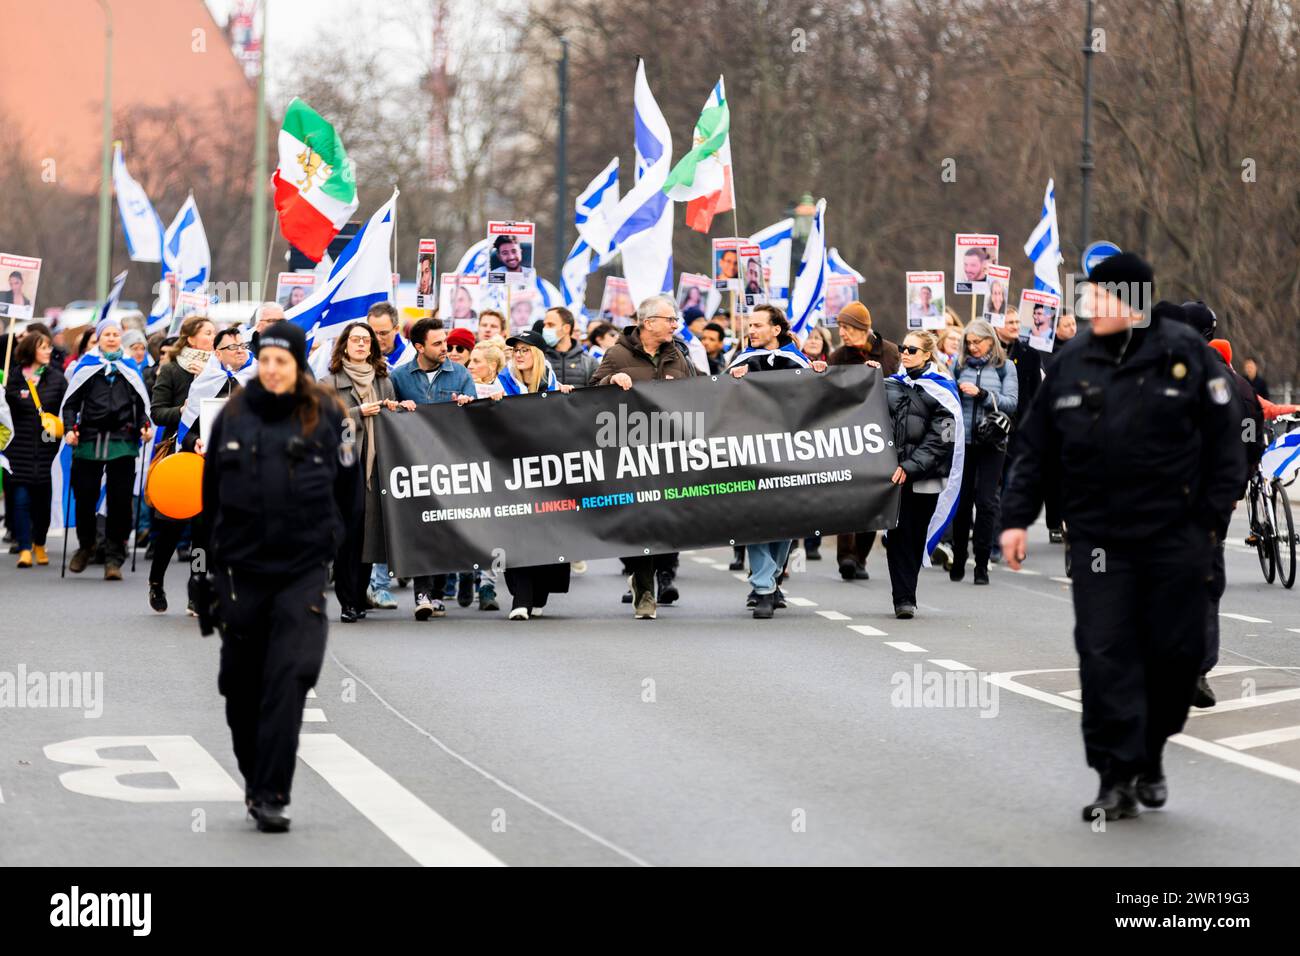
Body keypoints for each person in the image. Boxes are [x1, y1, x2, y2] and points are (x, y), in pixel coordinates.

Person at [1000, 252, 1244, 822]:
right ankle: (1114, 776)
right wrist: (1014, 517)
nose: (1089, 308)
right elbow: (1036, 447)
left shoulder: (1184, 355)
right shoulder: (1072, 362)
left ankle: (1151, 754)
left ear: (1133, 301)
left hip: (1175, 536)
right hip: (1100, 540)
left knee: (1175, 655)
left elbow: (1226, 440)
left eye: (1101, 298)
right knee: (1105, 653)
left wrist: (1207, 517)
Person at [201, 320, 352, 832]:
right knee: (240, 688)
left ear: (296, 364)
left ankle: (272, 792)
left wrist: (329, 545)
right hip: (241, 570)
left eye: (280, 361)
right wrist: (204, 571)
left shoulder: (327, 414)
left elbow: (349, 492)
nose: (270, 370)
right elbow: (210, 498)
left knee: (289, 676)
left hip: (301, 571)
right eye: (263, 360)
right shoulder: (234, 416)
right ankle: (254, 776)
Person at [590, 296, 698, 619]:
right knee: (640, 521)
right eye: (670, 320)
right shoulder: (618, 353)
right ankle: (645, 590)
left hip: (670, 454)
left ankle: (662, 573)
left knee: (665, 520)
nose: (675, 325)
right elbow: (590, 392)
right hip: (630, 454)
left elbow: (701, 393)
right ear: (648, 322)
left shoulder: (678, 354)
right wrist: (611, 381)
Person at [726, 304, 826, 618]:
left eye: (757, 325)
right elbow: (720, 400)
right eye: (749, 325)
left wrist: (821, 376)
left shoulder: (797, 361)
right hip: (751, 454)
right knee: (756, 518)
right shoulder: (743, 360)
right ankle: (764, 588)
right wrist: (732, 380)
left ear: (776, 330)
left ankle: (770, 577)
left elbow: (815, 402)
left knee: (785, 520)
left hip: (789, 454)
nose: (751, 330)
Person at [389, 317, 476, 620]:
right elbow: (388, 415)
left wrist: (469, 405)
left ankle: (438, 591)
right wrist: (397, 409)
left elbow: (476, 418)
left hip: (449, 464)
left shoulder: (461, 375)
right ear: (418, 346)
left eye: (446, 341)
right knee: (419, 528)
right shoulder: (399, 377)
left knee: (443, 528)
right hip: (411, 464)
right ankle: (423, 594)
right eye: (438, 343)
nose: (446, 348)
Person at [59, 318, 153, 579]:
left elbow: (141, 403)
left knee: (120, 501)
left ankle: (114, 556)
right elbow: (71, 403)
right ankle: (86, 545)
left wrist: (144, 425)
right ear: (99, 338)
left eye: (115, 334)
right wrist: (69, 428)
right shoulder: (86, 368)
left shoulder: (129, 368)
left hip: (122, 440)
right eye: (107, 334)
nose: (111, 338)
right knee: (86, 496)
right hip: (89, 438)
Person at [320, 322, 401, 624]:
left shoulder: (384, 380)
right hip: (344, 468)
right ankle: (346, 602)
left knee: (369, 536)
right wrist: (357, 414)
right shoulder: (328, 382)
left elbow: (393, 420)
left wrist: (396, 408)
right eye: (355, 339)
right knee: (348, 536)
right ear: (344, 345)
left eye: (366, 340)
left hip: (376, 466)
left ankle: (359, 595)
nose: (361, 345)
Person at [496, 327, 575, 620]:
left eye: (525, 349)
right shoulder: (500, 385)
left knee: (546, 534)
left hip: (549, 474)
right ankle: (520, 597)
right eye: (515, 350)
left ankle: (538, 592)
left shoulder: (552, 386)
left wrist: (567, 401)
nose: (518, 355)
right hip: (510, 473)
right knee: (517, 533)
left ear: (538, 354)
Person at [884, 331, 960, 618]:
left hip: (923, 478)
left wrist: (910, 466)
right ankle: (902, 598)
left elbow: (941, 438)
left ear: (928, 354)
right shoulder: (891, 384)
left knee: (914, 536)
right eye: (903, 347)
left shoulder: (942, 390)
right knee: (895, 536)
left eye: (912, 349)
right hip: (892, 476)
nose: (905, 353)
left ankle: (908, 591)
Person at [147, 315, 215, 613]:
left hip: (209, 456)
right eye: (208, 333)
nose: (213, 338)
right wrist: (183, 410)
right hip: (179, 455)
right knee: (171, 526)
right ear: (190, 339)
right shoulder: (173, 371)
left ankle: (197, 587)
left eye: (215, 334)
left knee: (202, 529)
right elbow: (158, 413)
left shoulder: (220, 373)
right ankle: (156, 581)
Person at [827, 301, 900, 581]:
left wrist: (877, 376)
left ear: (863, 328)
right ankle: (845, 556)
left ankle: (860, 557)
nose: (842, 333)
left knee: (873, 497)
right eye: (840, 328)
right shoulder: (838, 356)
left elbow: (900, 389)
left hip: (880, 437)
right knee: (847, 496)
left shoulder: (891, 353)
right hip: (846, 436)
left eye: (846, 328)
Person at [949, 318, 1017, 585]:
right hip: (963, 443)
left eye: (978, 342)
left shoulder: (1004, 368)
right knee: (962, 503)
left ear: (991, 340)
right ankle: (958, 556)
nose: (973, 347)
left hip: (992, 443)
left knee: (987, 503)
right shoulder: (959, 365)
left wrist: (983, 395)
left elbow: (1011, 403)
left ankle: (981, 563)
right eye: (969, 342)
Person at [5, 328, 67, 567]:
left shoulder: (56, 378)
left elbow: (66, 407)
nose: (48, 351)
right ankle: (23, 548)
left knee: (43, 503)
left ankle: (39, 542)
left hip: (47, 450)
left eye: (49, 347)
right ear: (31, 350)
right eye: (43, 347)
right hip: (18, 451)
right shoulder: (14, 378)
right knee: (20, 501)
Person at [541, 306, 597, 387]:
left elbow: (595, 394)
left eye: (550, 324)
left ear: (566, 328)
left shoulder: (589, 362)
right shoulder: (540, 359)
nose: (545, 329)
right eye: (544, 325)